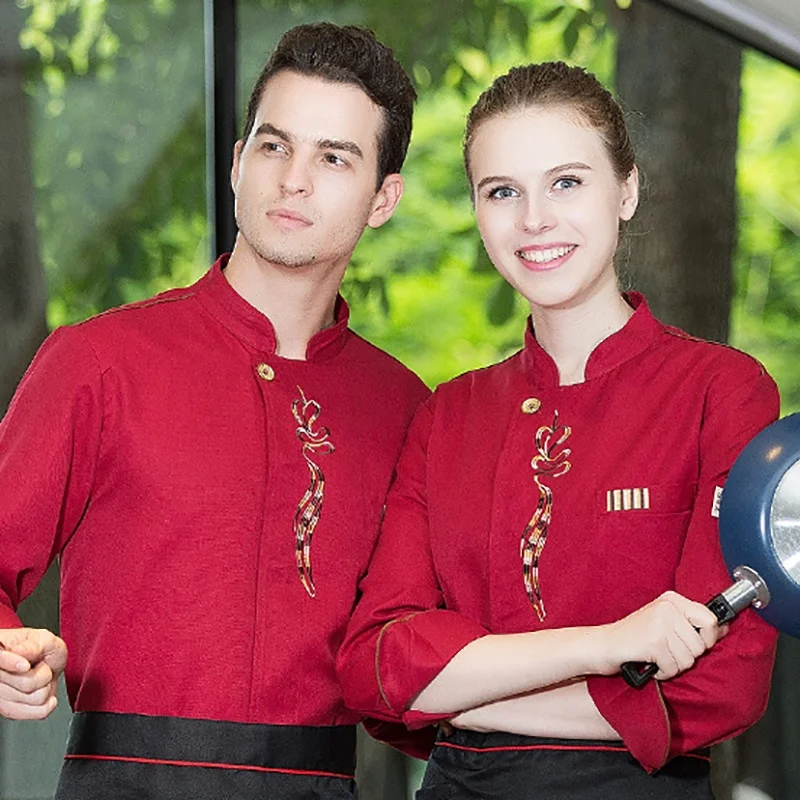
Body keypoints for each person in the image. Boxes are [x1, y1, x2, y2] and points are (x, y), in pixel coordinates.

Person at [0, 22, 429, 800]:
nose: (293, 179)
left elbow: (420, 655)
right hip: (118, 783)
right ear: (237, 163)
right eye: (273, 145)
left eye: (334, 158)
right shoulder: (98, 362)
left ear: (383, 199)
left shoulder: (407, 411)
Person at [337, 61, 780, 799]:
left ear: (627, 190)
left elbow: (721, 687)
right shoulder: (447, 417)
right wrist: (608, 647)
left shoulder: (721, 392)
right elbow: (374, 667)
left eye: (567, 182)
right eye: (502, 192)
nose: (534, 219)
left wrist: (470, 697)